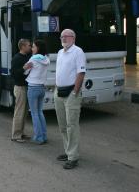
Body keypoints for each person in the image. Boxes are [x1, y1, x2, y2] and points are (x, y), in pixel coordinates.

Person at [54, 29, 86, 170]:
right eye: (61, 36)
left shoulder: (78, 52)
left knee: (72, 125)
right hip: (59, 92)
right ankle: (68, 152)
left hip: (71, 93)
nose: (63, 38)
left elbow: (81, 72)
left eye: (66, 36)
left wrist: (75, 92)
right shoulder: (61, 52)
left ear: (73, 37)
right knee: (62, 125)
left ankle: (73, 157)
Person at [23, 39, 50, 145]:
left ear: (38, 48)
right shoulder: (47, 58)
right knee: (39, 112)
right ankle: (43, 135)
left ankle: (39, 137)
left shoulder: (33, 59)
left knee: (34, 113)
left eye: (33, 46)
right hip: (42, 88)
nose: (32, 48)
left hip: (33, 87)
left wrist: (24, 67)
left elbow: (25, 70)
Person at [10, 39, 32, 143]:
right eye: (28, 45)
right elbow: (14, 74)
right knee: (19, 111)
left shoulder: (27, 57)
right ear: (22, 46)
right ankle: (16, 135)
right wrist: (23, 68)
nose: (30, 47)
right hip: (20, 88)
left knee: (24, 112)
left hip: (26, 87)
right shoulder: (16, 58)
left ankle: (21, 133)